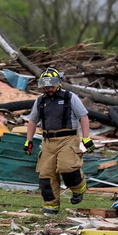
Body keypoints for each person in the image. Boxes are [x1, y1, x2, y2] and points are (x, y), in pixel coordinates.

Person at [24, 68, 95, 214]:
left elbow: (83, 116)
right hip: (48, 142)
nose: (49, 89)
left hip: (68, 139)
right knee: (45, 175)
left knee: (67, 167)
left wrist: (86, 138)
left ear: (58, 84)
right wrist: (28, 141)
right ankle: (51, 206)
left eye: (51, 86)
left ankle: (78, 188)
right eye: (46, 87)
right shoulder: (40, 101)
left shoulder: (70, 97)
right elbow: (32, 121)